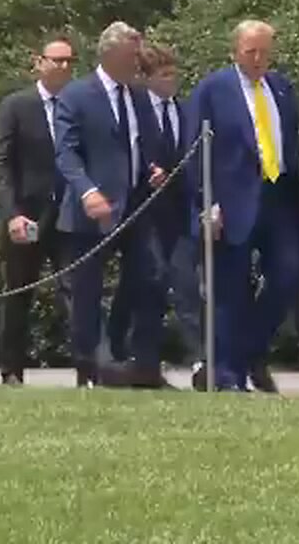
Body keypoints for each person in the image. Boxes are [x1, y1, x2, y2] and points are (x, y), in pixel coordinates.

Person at [185, 19, 299, 393]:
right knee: (229, 289)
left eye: (264, 52)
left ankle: (252, 351)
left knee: (288, 274)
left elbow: (290, 138)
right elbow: (194, 151)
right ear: (235, 50)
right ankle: (227, 373)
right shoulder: (213, 90)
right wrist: (206, 203)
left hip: (276, 195)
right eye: (251, 52)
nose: (258, 59)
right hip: (231, 200)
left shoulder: (280, 88)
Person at [54, 21, 170, 389]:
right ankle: (88, 368)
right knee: (87, 292)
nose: (138, 59)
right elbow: (66, 152)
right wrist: (87, 191)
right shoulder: (76, 95)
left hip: (135, 205)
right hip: (94, 208)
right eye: (131, 52)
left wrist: (155, 169)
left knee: (151, 278)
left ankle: (144, 365)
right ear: (110, 53)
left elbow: (148, 143)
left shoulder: (137, 95)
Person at [108, 44, 208, 387]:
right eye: (164, 75)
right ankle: (133, 356)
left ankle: (201, 359)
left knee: (185, 285)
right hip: (145, 214)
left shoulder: (183, 111)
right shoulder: (136, 109)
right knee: (148, 282)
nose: (172, 81)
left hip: (177, 214)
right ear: (147, 78)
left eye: (173, 73)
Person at [0, 36, 75, 386]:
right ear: (38, 63)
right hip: (26, 214)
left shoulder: (77, 104)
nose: (64, 67)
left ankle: (89, 367)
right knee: (19, 293)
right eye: (57, 60)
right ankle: (12, 370)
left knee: (75, 289)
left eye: (70, 61)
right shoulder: (17, 106)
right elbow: (1, 163)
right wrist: (12, 214)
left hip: (67, 212)